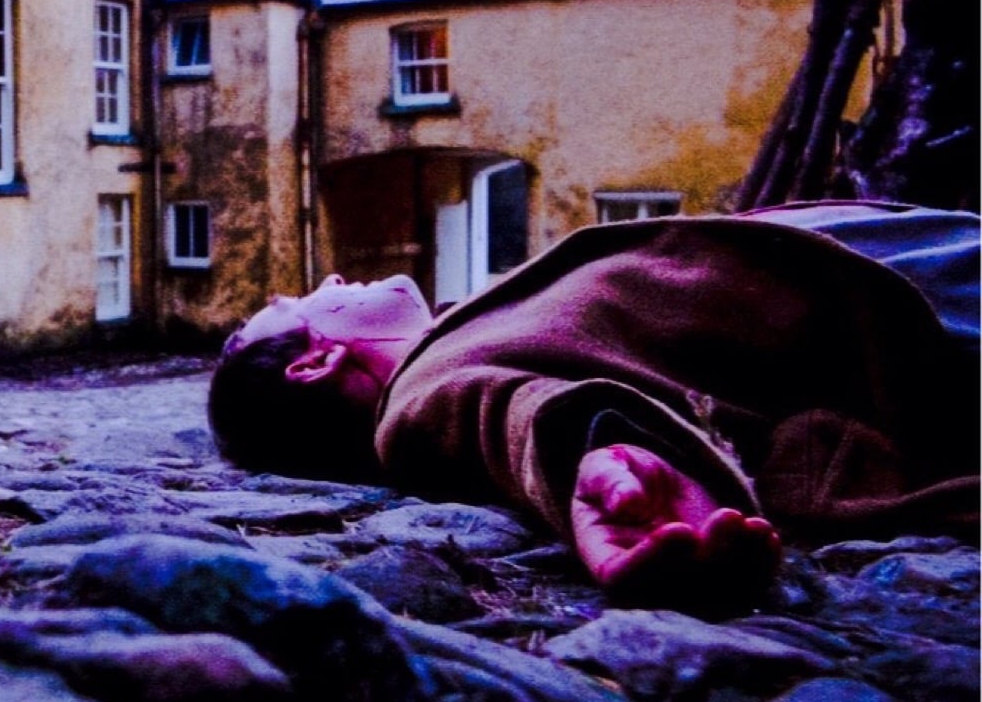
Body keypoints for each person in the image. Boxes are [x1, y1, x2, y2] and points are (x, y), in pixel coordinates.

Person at [208, 202, 980, 604]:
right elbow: (506, 419)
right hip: (902, 308)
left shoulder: (460, 328)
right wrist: (603, 452)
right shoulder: (422, 397)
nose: (329, 280)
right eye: (302, 302)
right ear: (315, 361)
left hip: (874, 258)